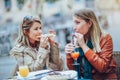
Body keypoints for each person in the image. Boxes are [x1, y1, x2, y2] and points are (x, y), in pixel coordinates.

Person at [65, 8, 117, 79]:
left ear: (89, 23)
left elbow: (102, 67)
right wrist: (69, 55)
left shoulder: (105, 38)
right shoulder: (78, 39)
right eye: (74, 23)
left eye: (77, 23)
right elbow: (73, 71)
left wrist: (83, 45)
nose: (74, 27)